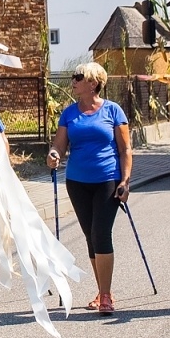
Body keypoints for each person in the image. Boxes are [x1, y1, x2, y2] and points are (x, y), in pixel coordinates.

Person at [47, 62, 132, 316]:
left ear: (93, 83)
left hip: (108, 180)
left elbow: (125, 149)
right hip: (77, 182)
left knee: (101, 233)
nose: (73, 81)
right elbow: (59, 145)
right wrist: (53, 154)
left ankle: (106, 295)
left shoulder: (113, 111)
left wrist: (125, 181)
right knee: (89, 236)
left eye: (78, 77)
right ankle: (101, 290)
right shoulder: (69, 114)